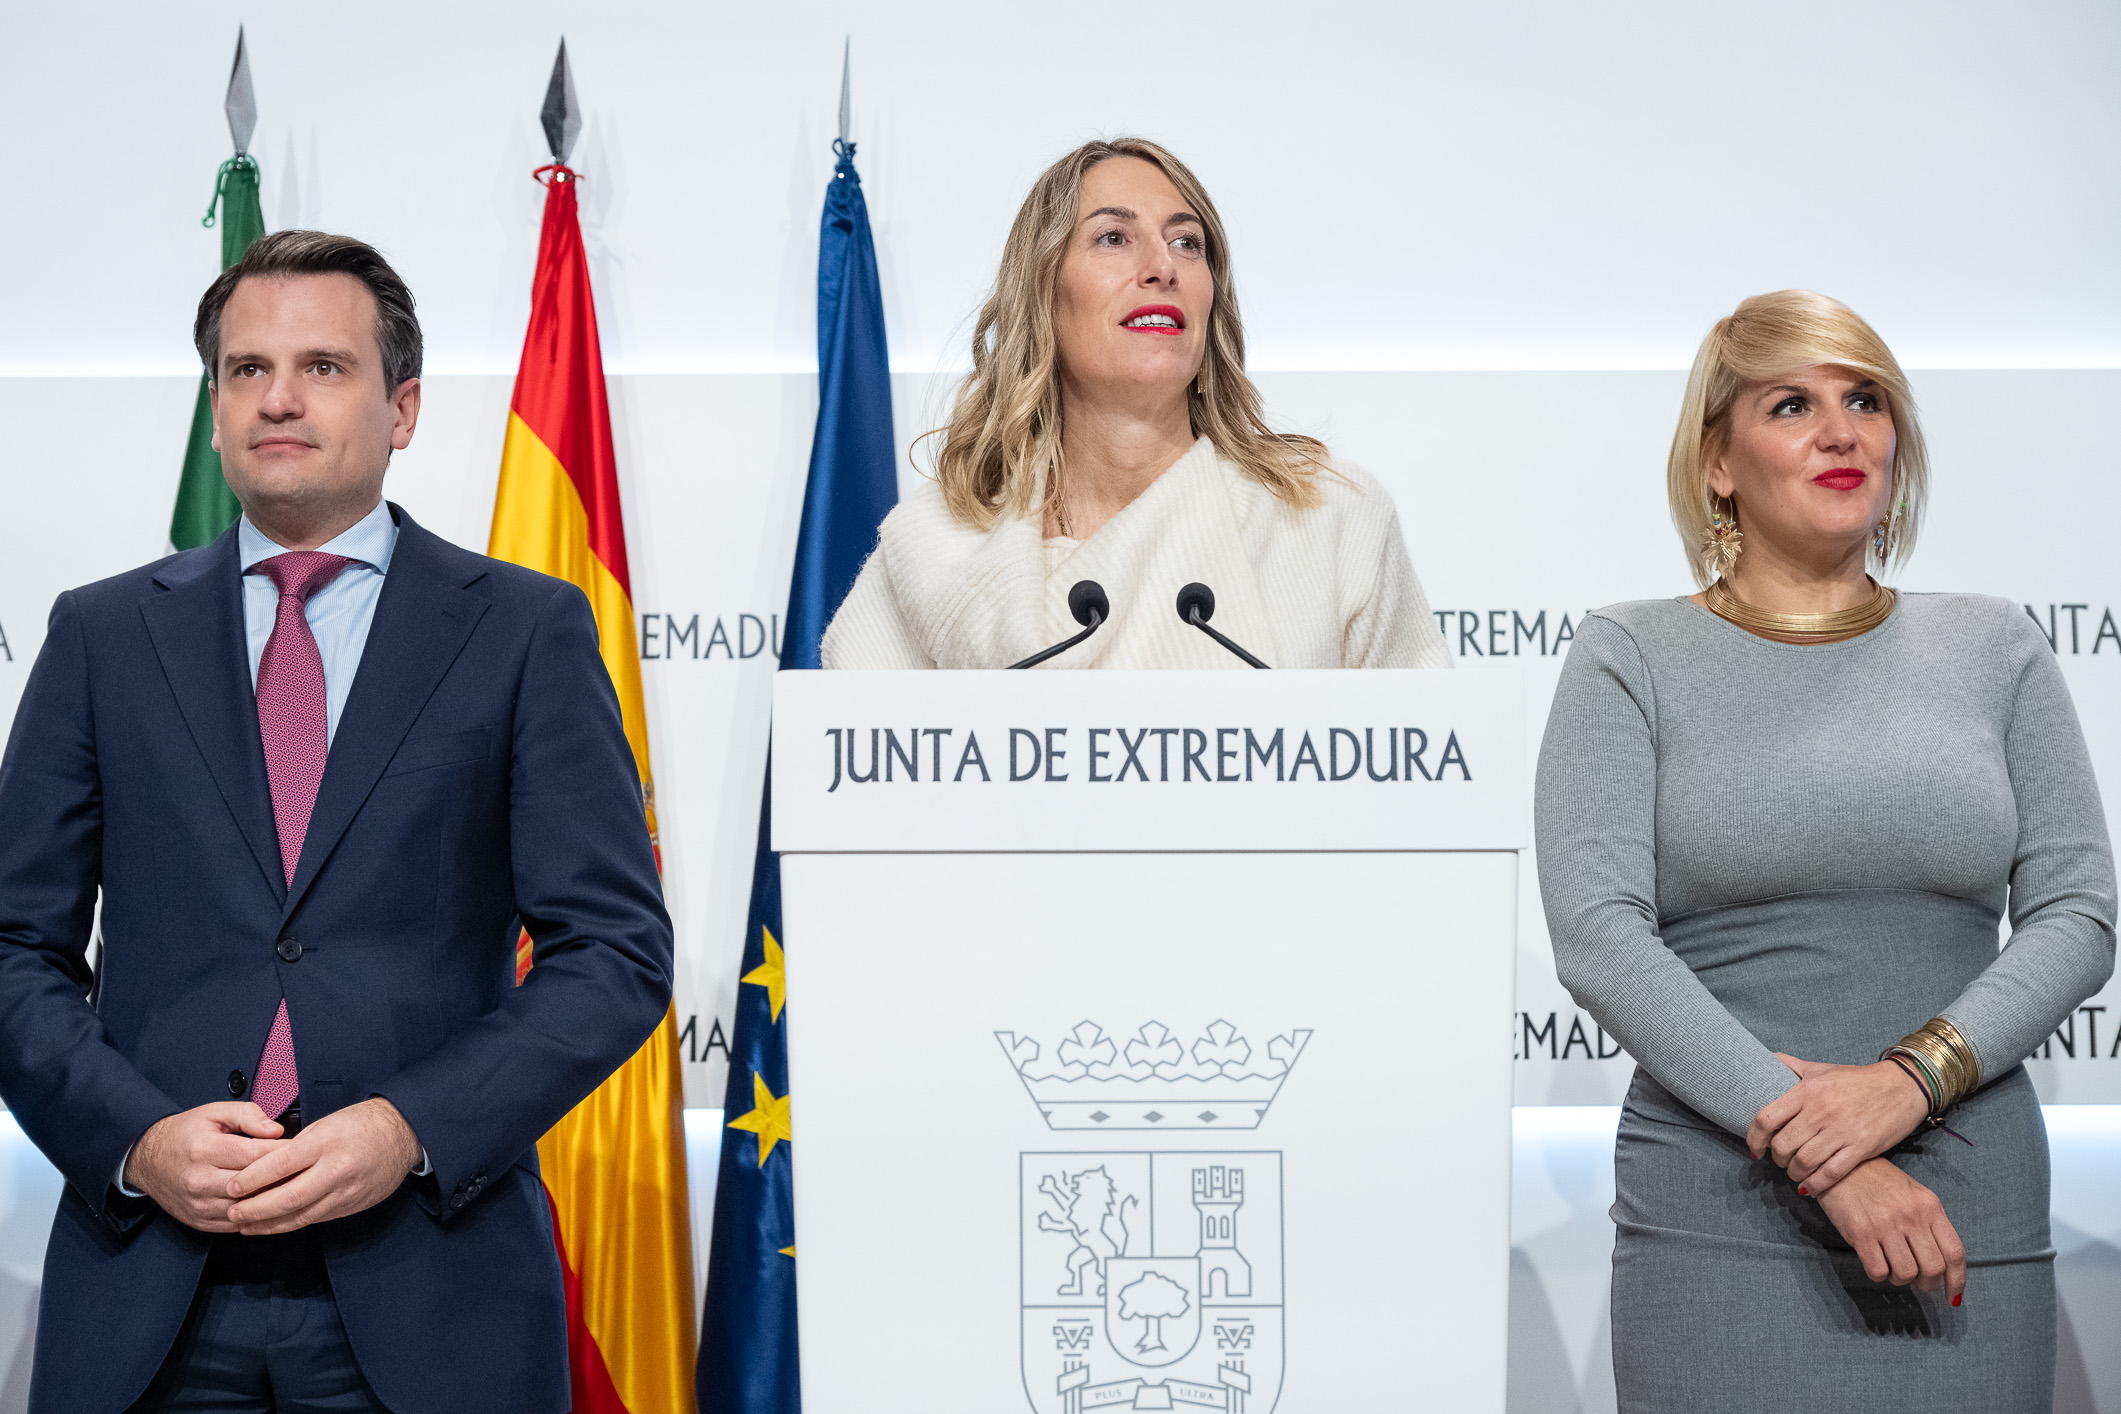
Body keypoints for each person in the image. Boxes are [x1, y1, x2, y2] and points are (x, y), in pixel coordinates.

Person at [0, 231, 673, 1414]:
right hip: (150, 1291)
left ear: (403, 407)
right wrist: (138, 1140)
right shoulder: (102, 636)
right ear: (215, 411)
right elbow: (12, 948)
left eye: (323, 365)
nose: (279, 398)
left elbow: (613, 954)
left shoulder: (523, 631)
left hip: (433, 1282)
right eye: (247, 369)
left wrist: (412, 1125)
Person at [1534, 289, 2115, 1411]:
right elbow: (1600, 938)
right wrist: (1828, 1150)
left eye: (1866, 400)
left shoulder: (1994, 643)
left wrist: (1909, 1082)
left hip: (1967, 1200)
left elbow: (2079, 911)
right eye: (1792, 404)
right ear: (1717, 462)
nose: (1841, 431)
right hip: (1720, 1210)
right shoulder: (1630, 652)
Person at [821, 137, 1449, 669]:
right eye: (1114, 237)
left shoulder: (1330, 519)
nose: (1161, 266)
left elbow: (1426, 776)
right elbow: (847, 780)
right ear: (1044, 293)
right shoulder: (937, 546)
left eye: (1187, 243)